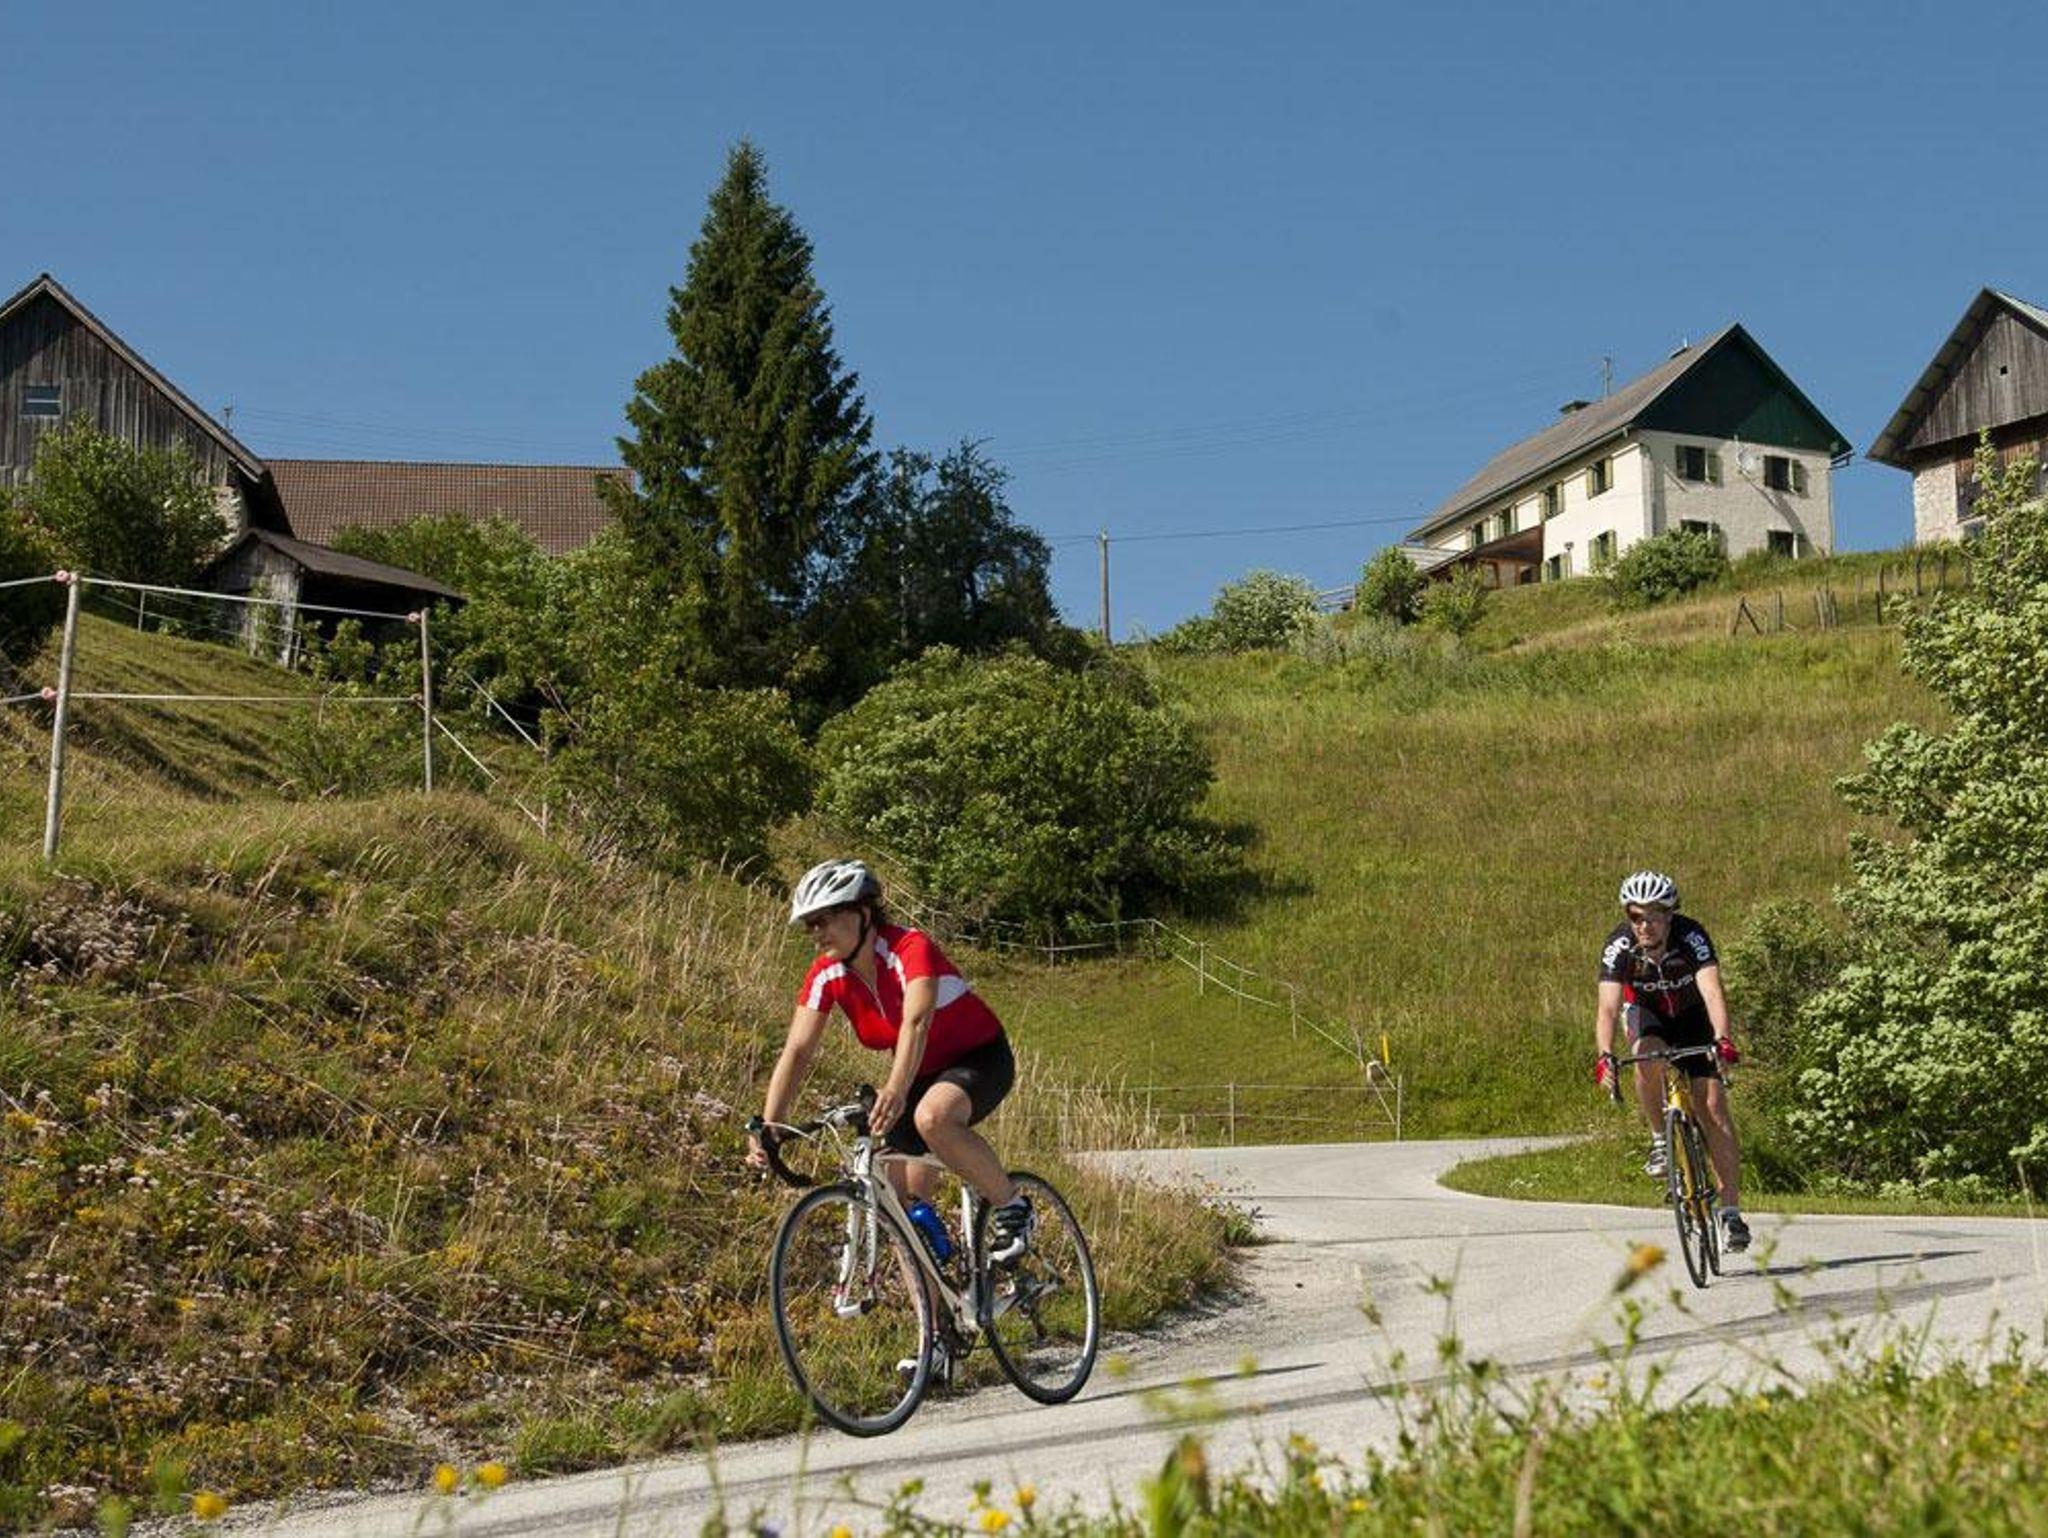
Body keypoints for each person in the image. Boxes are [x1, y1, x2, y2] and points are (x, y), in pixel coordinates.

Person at [750, 858, 1035, 1375]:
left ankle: (1013, 1205)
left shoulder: (909, 948)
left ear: (862, 913)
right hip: (915, 1074)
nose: (816, 933)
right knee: (902, 1207)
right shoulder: (827, 975)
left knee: (932, 1118)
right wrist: (771, 1126)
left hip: (978, 1058)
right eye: (809, 925)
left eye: (825, 919)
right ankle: (940, 1338)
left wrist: (896, 1090)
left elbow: (917, 1020)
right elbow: (797, 1050)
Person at [1593, 870, 1750, 1253]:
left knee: (1713, 1107)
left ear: (1670, 914)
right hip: (1649, 1016)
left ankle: (1730, 1212)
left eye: (1653, 916)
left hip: (1693, 1017)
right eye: (1636, 916)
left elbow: (1712, 991)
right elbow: (1608, 1008)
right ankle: (1660, 1140)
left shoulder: (1691, 936)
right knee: (1646, 1056)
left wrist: (1722, 1039)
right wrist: (1604, 1055)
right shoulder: (1619, 945)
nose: (1644, 925)